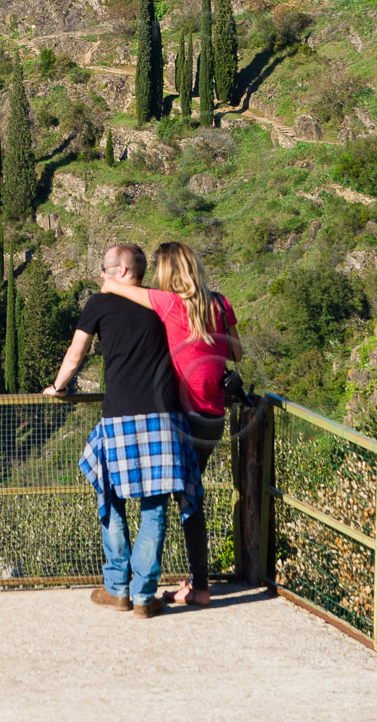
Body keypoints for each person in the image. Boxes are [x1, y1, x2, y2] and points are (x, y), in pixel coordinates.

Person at [44, 242, 202, 619]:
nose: (100, 274)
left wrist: (59, 387)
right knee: (154, 510)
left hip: (119, 418)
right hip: (165, 419)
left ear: (121, 271)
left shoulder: (99, 304)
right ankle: (144, 597)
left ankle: (117, 589)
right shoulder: (165, 302)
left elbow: (75, 355)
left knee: (110, 497)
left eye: (103, 268)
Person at [100, 240, 242, 607]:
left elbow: (117, 286)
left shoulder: (170, 304)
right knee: (192, 500)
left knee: (170, 503)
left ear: (167, 274)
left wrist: (108, 281)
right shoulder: (221, 304)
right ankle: (197, 582)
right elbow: (236, 352)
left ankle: (186, 588)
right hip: (214, 417)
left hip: (181, 418)